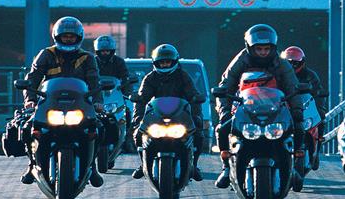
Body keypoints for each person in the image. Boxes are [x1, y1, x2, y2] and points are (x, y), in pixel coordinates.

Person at [214, 24, 304, 190]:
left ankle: (295, 165)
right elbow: (226, 85)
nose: (263, 52)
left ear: (273, 48)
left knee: (298, 127)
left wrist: (297, 110)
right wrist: (224, 111)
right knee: (222, 129)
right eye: (259, 49)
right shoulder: (240, 61)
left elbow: (293, 87)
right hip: (246, 108)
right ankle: (226, 167)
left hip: (276, 109)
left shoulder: (282, 64)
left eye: (266, 48)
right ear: (249, 47)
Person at [17, 16, 104, 188]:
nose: (68, 39)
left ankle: (92, 166)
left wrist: (98, 101)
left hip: (79, 104)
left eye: (71, 36)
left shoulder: (87, 58)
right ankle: (32, 163)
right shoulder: (46, 54)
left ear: (78, 37)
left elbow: (95, 81)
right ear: (57, 36)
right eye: (65, 36)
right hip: (50, 103)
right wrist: (30, 100)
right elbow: (33, 78)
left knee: (100, 127)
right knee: (28, 127)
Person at [130, 44, 205, 182]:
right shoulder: (150, 78)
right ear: (156, 63)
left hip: (180, 115)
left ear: (174, 61)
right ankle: (143, 163)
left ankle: (194, 165)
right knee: (138, 132)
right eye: (162, 62)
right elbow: (142, 98)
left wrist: (196, 112)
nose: (165, 64)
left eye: (167, 62)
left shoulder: (183, 76)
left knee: (199, 132)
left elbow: (193, 95)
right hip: (157, 116)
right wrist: (138, 118)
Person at [280, 46, 327, 144]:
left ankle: (319, 138)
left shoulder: (310, 75)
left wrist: (319, 103)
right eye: (289, 63)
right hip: (284, 104)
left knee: (320, 115)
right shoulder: (279, 75)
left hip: (306, 104)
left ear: (302, 62)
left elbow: (317, 91)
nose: (292, 66)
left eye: (295, 63)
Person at [93, 34, 135, 127]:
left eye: (107, 51)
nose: (105, 53)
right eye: (102, 51)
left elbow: (125, 76)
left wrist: (127, 91)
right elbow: (88, 77)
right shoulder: (92, 61)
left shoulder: (119, 61)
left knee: (129, 107)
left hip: (115, 94)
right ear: (97, 51)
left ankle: (129, 133)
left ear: (112, 51)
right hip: (96, 94)